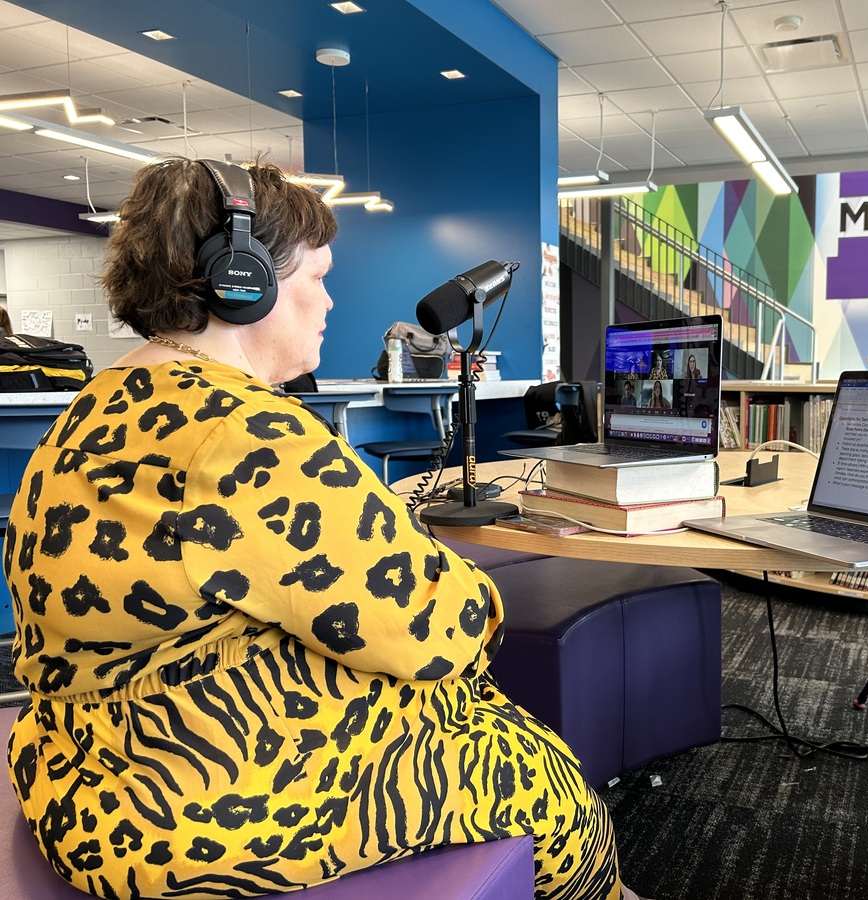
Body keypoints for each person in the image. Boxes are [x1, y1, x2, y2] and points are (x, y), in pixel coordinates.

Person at [2, 157, 631, 900]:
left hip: (77, 770)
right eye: (318, 278)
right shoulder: (246, 434)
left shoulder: (96, 400)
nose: (332, 303)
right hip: (187, 801)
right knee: (530, 767)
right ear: (244, 284)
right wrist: (467, 592)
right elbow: (438, 627)